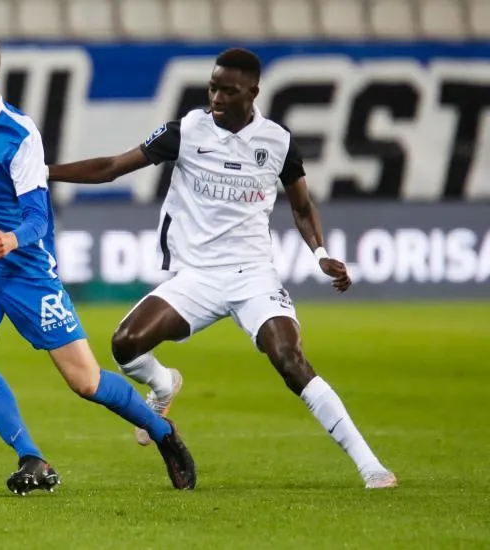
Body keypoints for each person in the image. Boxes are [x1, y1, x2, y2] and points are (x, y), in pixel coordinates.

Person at [46, 48, 397, 490]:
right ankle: (162, 386)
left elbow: (302, 207)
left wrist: (319, 253)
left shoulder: (278, 141)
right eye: (212, 86)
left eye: (227, 90)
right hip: (196, 275)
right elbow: (113, 167)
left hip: (253, 275)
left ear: (252, 92)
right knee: (125, 345)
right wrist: (42, 172)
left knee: (289, 360)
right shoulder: (186, 131)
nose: (216, 96)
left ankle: (370, 466)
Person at [0, 29, 195, 495]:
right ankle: (32, 458)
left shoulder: (19, 135)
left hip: (27, 274)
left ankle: (164, 434)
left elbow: (39, 217)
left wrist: (12, 239)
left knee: (86, 381)